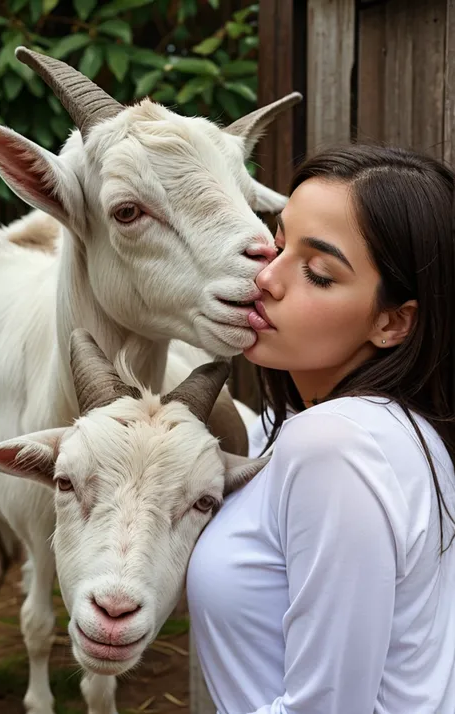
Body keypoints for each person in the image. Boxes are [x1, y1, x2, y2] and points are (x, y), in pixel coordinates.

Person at [186, 145, 455, 714]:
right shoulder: (317, 432)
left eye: (318, 273)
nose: (267, 278)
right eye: (277, 245)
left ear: (392, 321)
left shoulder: (337, 444)